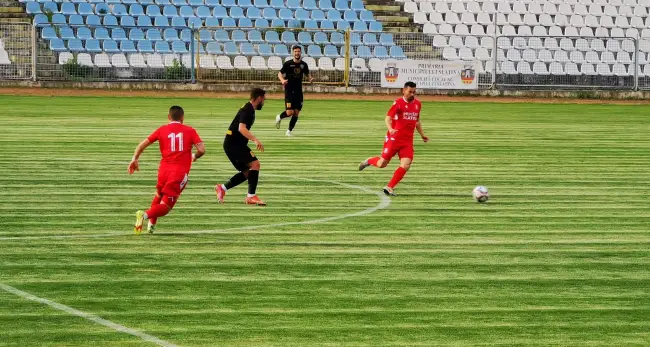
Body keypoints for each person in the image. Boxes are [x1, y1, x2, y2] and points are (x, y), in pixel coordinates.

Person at [128, 106, 205, 234]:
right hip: (178, 173)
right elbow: (202, 149)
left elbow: (141, 145)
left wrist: (134, 159)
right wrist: (194, 156)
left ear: (169, 117)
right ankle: (144, 215)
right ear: (182, 118)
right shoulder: (190, 130)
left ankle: (151, 226)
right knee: (166, 207)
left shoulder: (162, 130)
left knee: (158, 195)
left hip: (163, 171)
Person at [358, 81, 429, 196]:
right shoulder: (398, 103)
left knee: (406, 164)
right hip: (394, 139)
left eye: (414, 92)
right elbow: (388, 118)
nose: (412, 94)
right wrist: (390, 129)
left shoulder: (417, 104)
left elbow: (417, 121)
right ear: (404, 90)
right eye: (410, 92)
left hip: (407, 141)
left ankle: (389, 187)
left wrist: (422, 135)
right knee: (382, 164)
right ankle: (369, 161)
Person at [215, 88, 267, 206]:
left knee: (248, 172)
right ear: (259, 98)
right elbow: (241, 128)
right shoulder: (247, 110)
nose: (264, 102)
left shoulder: (249, 109)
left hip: (233, 144)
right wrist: (255, 140)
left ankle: (222, 188)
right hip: (234, 144)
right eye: (264, 100)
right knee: (255, 164)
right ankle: (251, 197)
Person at [275, 45, 313, 137]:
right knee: (289, 112)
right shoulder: (288, 64)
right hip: (289, 91)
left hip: (299, 92)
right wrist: (282, 80)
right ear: (293, 53)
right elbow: (279, 73)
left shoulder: (303, 65)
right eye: (295, 51)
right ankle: (279, 117)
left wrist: (310, 78)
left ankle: (289, 131)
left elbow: (307, 74)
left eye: (298, 51)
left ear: (301, 52)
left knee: (296, 113)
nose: (297, 53)